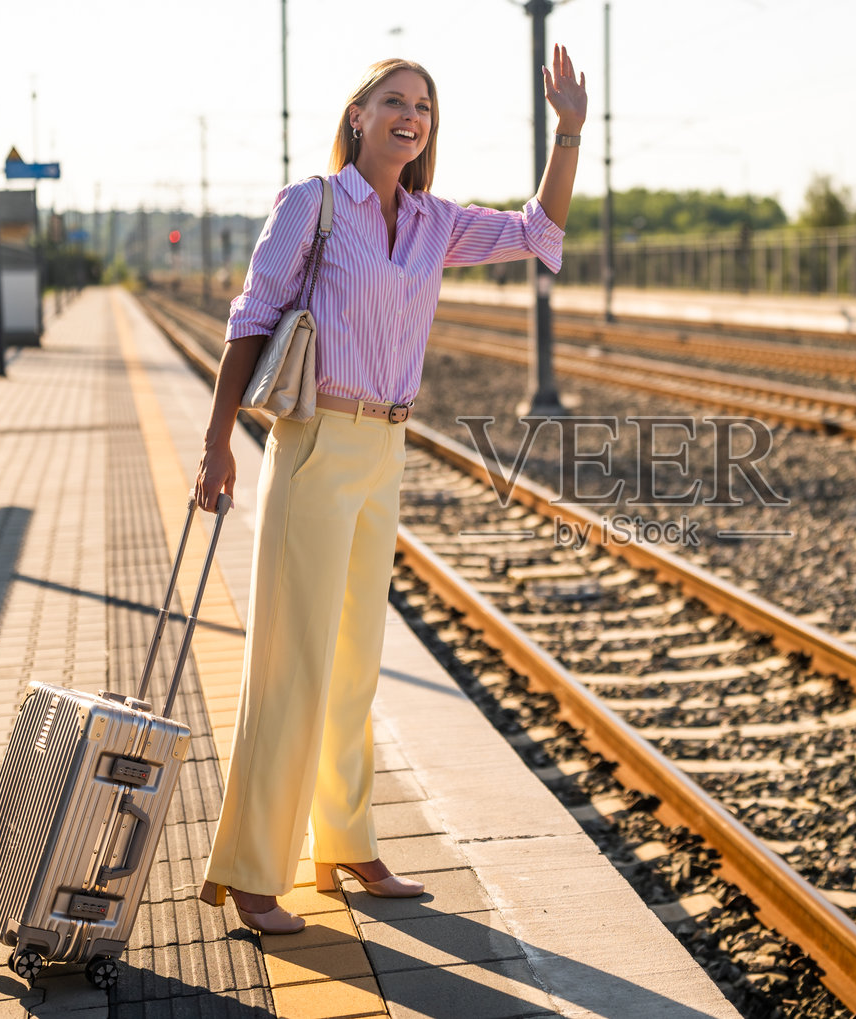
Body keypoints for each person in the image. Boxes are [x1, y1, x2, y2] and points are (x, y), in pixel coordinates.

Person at [192, 48, 587, 933]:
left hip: (386, 448)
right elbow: (251, 318)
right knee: (291, 662)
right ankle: (253, 869)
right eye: (395, 101)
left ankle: (345, 841)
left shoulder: (435, 221)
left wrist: (567, 132)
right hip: (317, 441)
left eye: (425, 107)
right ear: (358, 116)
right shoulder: (313, 204)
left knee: (354, 664)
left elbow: (538, 229)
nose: (412, 116)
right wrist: (218, 443)